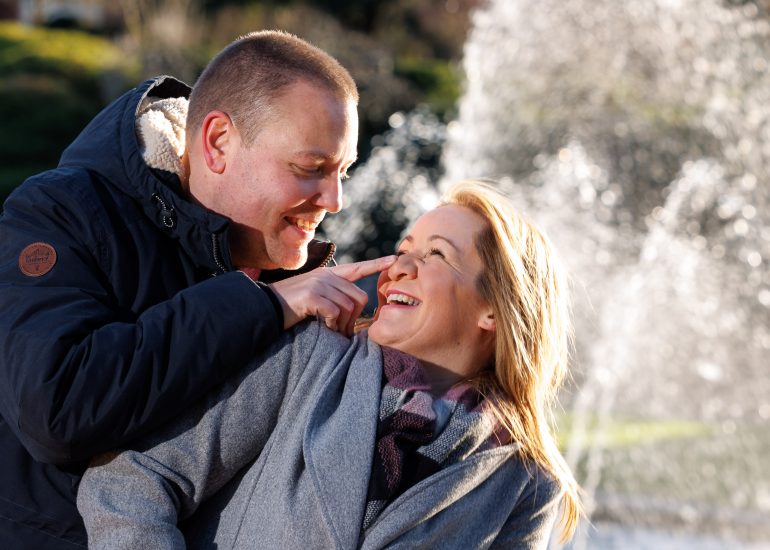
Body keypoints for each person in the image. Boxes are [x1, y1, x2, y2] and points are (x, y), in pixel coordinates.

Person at [0, 30, 394, 549]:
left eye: (342, 171)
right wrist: (264, 306)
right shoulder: (59, 212)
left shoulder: (296, 283)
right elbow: (56, 407)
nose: (335, 200)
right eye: (310, 169)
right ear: (217, 143)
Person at [77, 180, 582, 549]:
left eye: (435, 256)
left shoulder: (526, 484)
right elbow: (133, 479)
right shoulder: (308, 356)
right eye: (403, 249)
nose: (397, 267)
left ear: (495, 309)